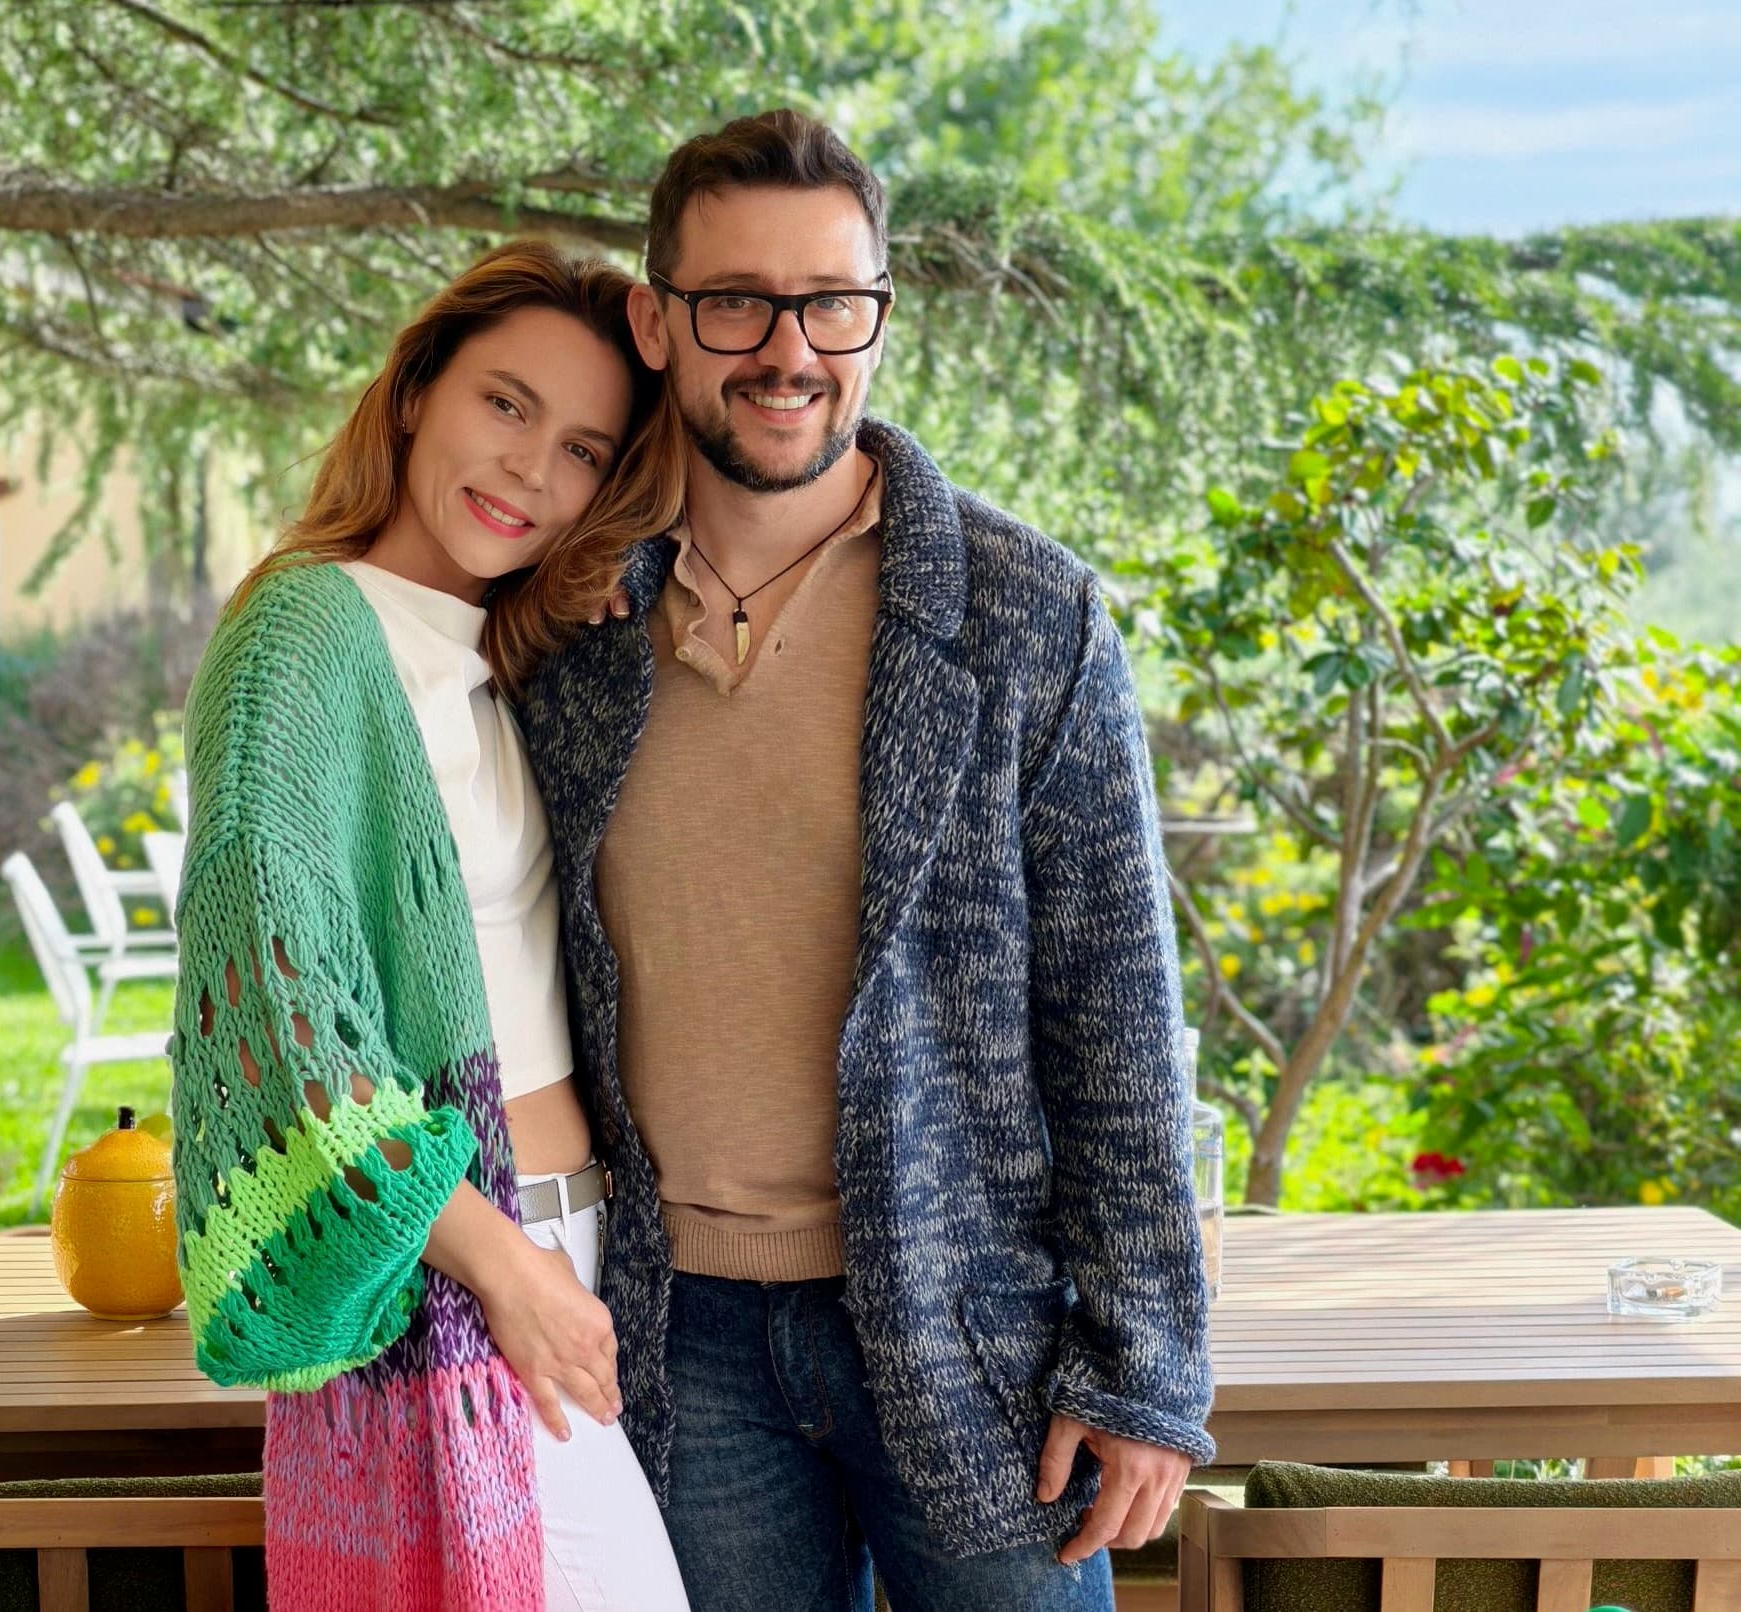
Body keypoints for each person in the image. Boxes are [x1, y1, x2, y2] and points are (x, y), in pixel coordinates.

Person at [515, 110, 1217, 1612]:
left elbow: (1117, 1010)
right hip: (675, 1338)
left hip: (975, 1325)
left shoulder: (1028, 616)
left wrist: (1144, 1361)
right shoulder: (569, 623)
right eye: (736, 302)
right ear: (655, 321)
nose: (790, 351)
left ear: (880, 315)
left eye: (834, 302)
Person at [166, 241, 691, 1612]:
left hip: (578, 1248)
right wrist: (504, 1265)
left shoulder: (496, 653)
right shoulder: (303, 638)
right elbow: (287, 1038)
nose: (530, 469)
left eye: (581, 450)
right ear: (413, 395)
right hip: (463, 1267)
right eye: (504, 404)